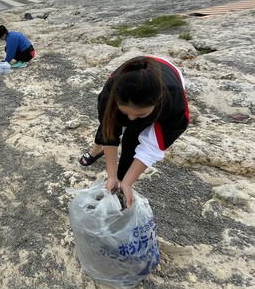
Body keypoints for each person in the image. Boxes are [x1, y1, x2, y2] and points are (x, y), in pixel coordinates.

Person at [78, 56, 189, 208]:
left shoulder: (174, 104)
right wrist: (111, 176)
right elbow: (109, 131)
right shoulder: (109, 94)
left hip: (167, 78)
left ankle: (122, 181)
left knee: (133, 139)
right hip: (125, 94)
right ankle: (96, 150)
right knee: (107, 124)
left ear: (158, 103)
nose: (131, 118)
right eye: (125, 112)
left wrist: (127, 183)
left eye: (140, 114)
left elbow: (152, 147)